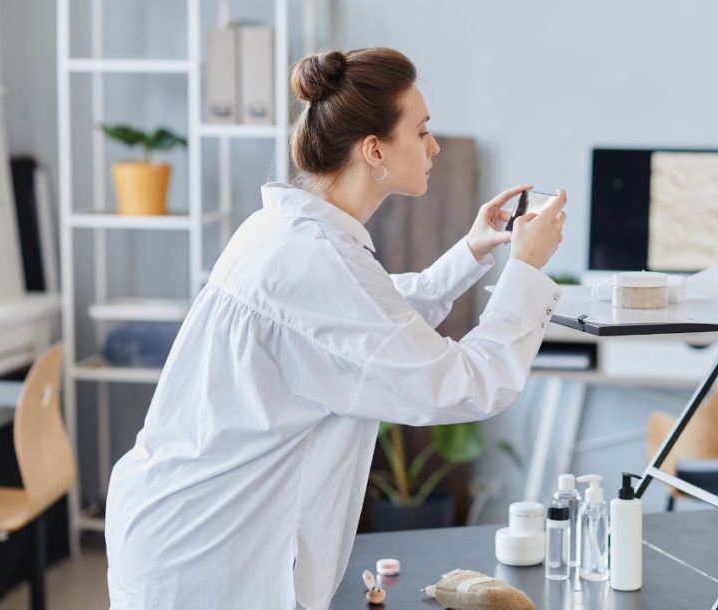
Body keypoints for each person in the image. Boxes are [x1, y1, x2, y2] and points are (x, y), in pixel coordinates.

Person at [104, 47, 567, 609]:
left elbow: (365, 322)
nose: (434, 146)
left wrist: (471, 252)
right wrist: (524, 270)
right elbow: (468, 383)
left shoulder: (285, 231)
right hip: (209, 553)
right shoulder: (318, 259)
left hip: (174, 521)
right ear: (375, 149)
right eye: (421, 132)